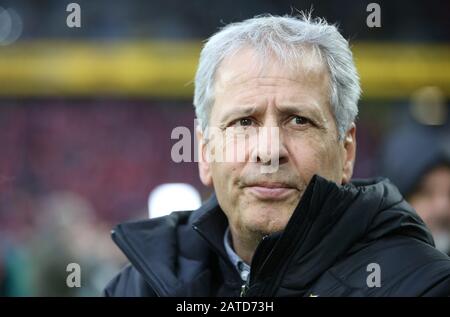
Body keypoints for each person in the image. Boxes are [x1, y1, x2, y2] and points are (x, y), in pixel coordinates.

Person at [105, 14, 450, 296]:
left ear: (346, 151)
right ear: (205, 152)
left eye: (299, 121)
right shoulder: (136, 288)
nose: (269, 151)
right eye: (243, 122)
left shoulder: (424, 286)